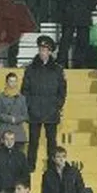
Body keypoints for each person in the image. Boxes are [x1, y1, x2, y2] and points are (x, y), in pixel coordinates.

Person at [21, 36, 67, 170]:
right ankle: (30, 166)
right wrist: (29, 106)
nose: (42, 52)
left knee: (51, 142)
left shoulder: (57, 70)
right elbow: (25, 90)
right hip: (34, 111)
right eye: (40, 49)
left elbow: (62, 91)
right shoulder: (30, 69)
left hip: (51, 111)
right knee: (33, 141)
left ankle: (52, 166)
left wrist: (57, 105)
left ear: (50, 52)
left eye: (45, 50)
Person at [0, 72, 28, 154]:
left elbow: (25, 115)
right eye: (11, 81)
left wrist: (16, 119)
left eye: (15, 81)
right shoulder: (0, 97)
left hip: (19, 134)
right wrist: (9, 118)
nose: (13, 84)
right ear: (6, 82)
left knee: (18, 156)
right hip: (4, 131)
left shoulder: (22, 98)